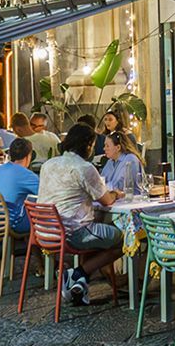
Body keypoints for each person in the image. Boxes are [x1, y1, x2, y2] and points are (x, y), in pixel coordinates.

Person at [35, 122, 123, 304]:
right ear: (88, 145)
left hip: (45, 232)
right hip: (72, 233)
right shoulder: (84, 168)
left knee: (95, 228)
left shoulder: (48, 165)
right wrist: (117, 193)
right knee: (125, 239)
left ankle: (79, 285)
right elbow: (106, 200)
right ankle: (78, 273)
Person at [0, 137, 39, 234]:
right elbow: (45, 192)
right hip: (10, 222)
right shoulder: (26, 174)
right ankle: (37, 247)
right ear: (29, 156)